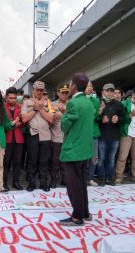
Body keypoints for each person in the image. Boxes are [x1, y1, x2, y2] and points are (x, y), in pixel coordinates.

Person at [59, 73, 94, 227]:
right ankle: (85, 213)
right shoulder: (89, 103)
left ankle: (77, 217)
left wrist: (64, 114)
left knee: (74, 186)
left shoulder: (73, 103)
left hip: (73, 150)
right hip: (85, 149)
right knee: (81, 183)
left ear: (74, 85)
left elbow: (64, 126)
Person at [21, 81, 54, 192]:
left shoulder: (48, 102)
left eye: (41, 90)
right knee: (32, 160)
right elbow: (24, 119)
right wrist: (35, 108)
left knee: (44, 161)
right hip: (33, 135)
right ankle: (31, 183)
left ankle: (44, 183)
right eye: (37, 90)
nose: (39, 92)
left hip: (46, 135)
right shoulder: (26, 102)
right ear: (33, 90)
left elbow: (51, 119)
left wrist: (40, 108)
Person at [115, 85, 135, 185]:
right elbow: (120, 119)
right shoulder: (124, 103)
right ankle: (119, 177)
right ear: (133, 94)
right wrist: (129, 116)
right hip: (126, 133)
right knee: (122, 156)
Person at [97, 83, 125, 186]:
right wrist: (101, 119)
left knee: (111, 159)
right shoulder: (98, 102)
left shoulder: (118, 104)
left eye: (111, 91)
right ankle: (101, 178)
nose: (109, 93)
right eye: (107, 90)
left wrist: (118, 119)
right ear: (102, 92)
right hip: (102, 135)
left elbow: (124, 118)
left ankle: (109, 178)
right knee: (101, 159)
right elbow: (94, 118)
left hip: (114, 136)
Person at [3, 87, 24, 191]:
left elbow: (25, 122)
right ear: (6, 97)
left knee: (17, 162)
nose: (12, 100)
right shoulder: (2, 108)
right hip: (6, 138)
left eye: (14, 98)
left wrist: (21, 123)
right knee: (5, 162)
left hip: (18, 138)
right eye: (10, 98)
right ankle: (4, 183)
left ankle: (16, 182)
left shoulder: (20, 107)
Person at [50, 84, 69, 188]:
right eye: (62, 93)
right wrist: (53, 117)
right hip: (56, 137)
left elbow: (74, 119)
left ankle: (64, 179)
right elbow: (49, 120)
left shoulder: (71, 104)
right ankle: (53, 179)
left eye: (66, 93)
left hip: (68, 138)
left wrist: (65, 113)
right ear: (58, 93)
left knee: (65, 161)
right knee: (55, 161)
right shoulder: (52, 105)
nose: (64, 95)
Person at [85, 81, 101, 187]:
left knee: (94, 157)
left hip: (94, 133)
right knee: (82, 157)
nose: (89, 88)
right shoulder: (79, 100)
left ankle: (90, 178)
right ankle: (82, 178)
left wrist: (98, 114)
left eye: (91, 86)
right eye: (87, 86)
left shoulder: (96, 101)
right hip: (82, 133)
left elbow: (97, 118)